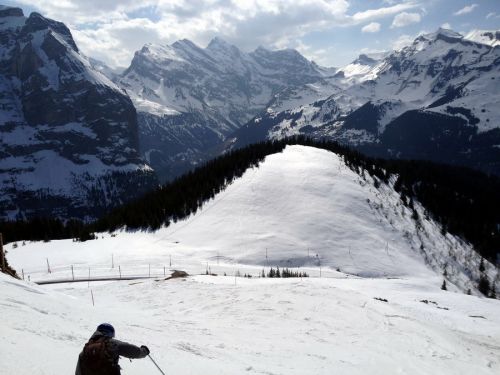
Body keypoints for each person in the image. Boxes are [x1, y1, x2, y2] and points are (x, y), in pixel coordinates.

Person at [75, 323, 150, 375]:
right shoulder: (111, 343)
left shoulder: (86, 349)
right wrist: (144, 351)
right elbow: (133, 351)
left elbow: (78, 371)